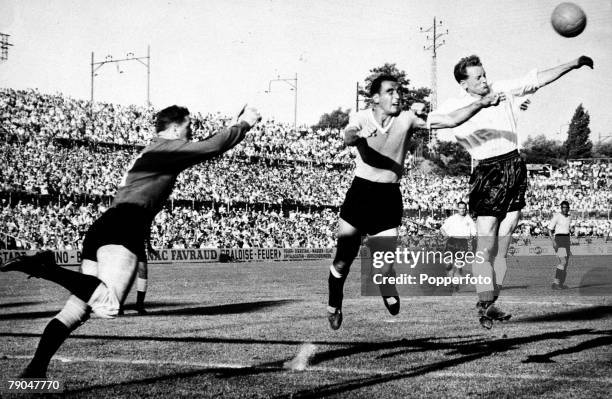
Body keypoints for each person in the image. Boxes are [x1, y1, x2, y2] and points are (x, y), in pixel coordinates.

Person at [1, 104, 261, 377]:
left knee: (77, 309)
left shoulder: (157, 149)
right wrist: (243, 125)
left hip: (106, 224)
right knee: (109, 305)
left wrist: (231, 125)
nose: (191, 130)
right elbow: (211, 147)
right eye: (188, 126)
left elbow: (204, 143)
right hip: (127, 224)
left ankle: (35, 371)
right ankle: (43, 268)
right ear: (174, 128)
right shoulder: (165, 150)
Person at [327, 74, 504, 330]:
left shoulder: (407, 118)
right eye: (390, 91)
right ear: (375, 98)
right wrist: (358, 134)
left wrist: (482, 103)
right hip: (360, 194)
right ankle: (334, 303)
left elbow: (450, 119)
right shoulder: (362, 117)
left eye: (399, 91)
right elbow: (348, 135)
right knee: (343, 259)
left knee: (385, 263)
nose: (397, 95)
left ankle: (385, 282)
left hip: (388, 196)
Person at [429, 54, 593, 328]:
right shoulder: (455, 104)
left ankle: (489, 299)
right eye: (477, 77)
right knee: (487, 243)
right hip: (488, 171)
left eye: (484, 74)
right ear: (463, 83)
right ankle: (485, 303)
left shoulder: (502, 89)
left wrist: (572, 64)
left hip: (515, 166)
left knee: (503, 242)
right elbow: (439, 122)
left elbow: (537, 79)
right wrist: (480, 104)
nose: (484, 80)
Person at [440, 201, 477, 289]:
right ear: (457, 209)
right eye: (460, 208)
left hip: (463, 243)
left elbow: (474, 233)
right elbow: (442, 229)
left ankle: (456, 284)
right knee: (448, 265)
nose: (462, 210)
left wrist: (472, 238)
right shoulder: (452, 218)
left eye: (464, 208)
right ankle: (450, 281)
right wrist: (447, 236)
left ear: (466, 209)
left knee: (459, 265)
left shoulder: (469, 220)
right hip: (451, 242)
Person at [548, 201, 572, 290]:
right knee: (563, 262)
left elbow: (566, 229)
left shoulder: (569, 217)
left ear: (568, 208)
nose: (565, 209)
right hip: (559, 240)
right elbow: (549, 229)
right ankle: (555, 283)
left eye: (566, 207)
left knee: (566, 264)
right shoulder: (557, 216)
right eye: (563, 207)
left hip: (566, 240)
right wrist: (553, 242)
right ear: (561, 208)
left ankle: (561, 284)